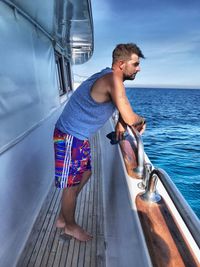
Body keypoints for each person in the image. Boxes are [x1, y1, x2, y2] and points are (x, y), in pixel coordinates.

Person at [54, 43, 146, 241]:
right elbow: (130, 117)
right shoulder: (113, 79)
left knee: (87, 173)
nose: (138, 68)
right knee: (71, 185)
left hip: (78, 136)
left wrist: (122, 122)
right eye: (135, 64)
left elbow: (122, 111)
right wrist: (140, 120)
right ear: (121, 64)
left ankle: (64, 214)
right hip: (70, 136)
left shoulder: (111, 77)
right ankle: (68, 225)